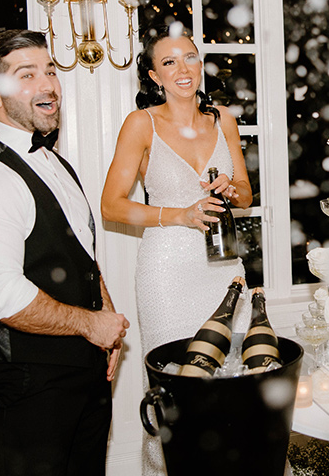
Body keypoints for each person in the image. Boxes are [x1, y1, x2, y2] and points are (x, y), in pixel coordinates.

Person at [0, 29, 129, 476]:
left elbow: (82, 256)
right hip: (25, 379)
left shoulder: (56, 165)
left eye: (49, 71)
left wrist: (106, 324)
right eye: (25, 75)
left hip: (84, 371)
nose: (47, 85)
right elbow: (1, 296)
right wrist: (92, 325)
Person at [101, 29, 253, 474]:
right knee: (179, 391)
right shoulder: (141, 124)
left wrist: (231, 188)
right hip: (167, 271)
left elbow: (245, 193)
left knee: (240, 384)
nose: (183, 69)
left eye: (189, 57)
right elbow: (112, 204)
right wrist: (179, 215)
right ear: (154, 76)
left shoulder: (223, 118)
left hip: (224, 268)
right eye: (169, 63)